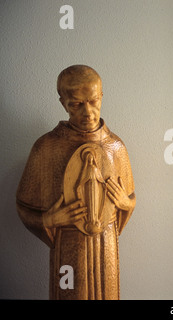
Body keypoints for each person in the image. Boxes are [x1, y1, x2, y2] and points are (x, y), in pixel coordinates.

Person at [16, 65, 136, 300]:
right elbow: (23, 206)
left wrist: (125, 203)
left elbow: (130, 200)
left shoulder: (116, 147)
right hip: (69, 245)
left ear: (101, 96)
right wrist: (50, 219)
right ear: (63, 103)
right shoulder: (46, 148)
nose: (88, 112)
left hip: (106, 244)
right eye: (77, 104)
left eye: (93, 101)